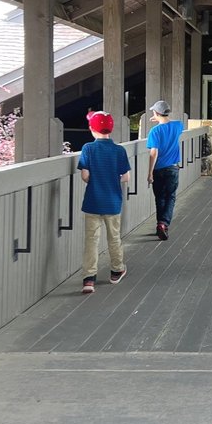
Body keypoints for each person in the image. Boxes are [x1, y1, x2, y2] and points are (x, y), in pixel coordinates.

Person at [78, 110, 131, 294]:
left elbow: (85, 175)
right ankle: (117, 270)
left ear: (92, 129)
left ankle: (89, 279)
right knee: (114, 238)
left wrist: (95, 179)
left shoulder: (88, 149)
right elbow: (126, 177)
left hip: (93, 201)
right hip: (112, 202)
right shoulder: (119, 150)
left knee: (91, 241)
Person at [146, 99, 185, 241]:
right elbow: (170, 123)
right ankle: (163, 224)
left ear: (156, 113)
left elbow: (154, 152)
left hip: (158, 168)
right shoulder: (178, 125)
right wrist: (160, 117)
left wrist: (150, 172)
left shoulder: (154, 131)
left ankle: (159, 224)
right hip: (173, 168)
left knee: (160, 197)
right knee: (171, 197)